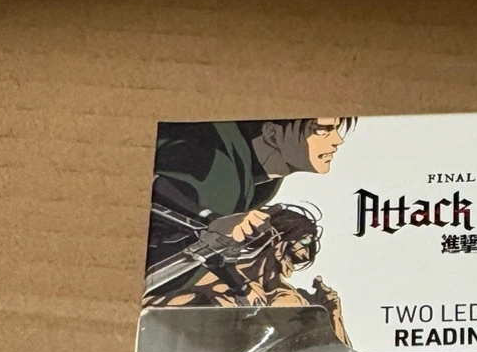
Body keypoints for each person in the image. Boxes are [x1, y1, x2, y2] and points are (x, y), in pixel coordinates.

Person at [147, 116, 354, 271]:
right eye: (321, 130)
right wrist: (209, 219)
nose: (338, 140)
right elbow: (156, 186)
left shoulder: (265, 185)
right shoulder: (215, 157)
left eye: (335, 129)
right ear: (272, 133)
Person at [143, 202, 347, 341]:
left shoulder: (292, 299)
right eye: (304, 242)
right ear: (277, 238)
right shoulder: (208, 275)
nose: (306, 254)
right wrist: (206, 302)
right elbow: (149, 310)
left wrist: (333, 313)